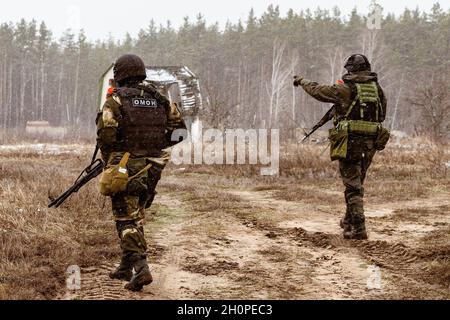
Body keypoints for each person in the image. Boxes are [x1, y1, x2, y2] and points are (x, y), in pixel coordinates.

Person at [96, 54, 186, 291]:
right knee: (136, 212)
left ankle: (141, 268)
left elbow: (106, 135)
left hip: (126, 164)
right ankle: (126, 266)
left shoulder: (115, 100)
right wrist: (156, 145)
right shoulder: (159, 99)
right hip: (154, 165)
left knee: (126, 216)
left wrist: (113, 159)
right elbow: (180, 132)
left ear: (120, 74)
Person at [294, 54, 388, 240]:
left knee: (353, 186)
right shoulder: (378, 89)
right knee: (356, 183)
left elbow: (318, 91)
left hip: (350, 142)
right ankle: (348, 222)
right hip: (371, 143)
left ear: (350, 69)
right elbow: (382, 114)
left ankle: (359, 228)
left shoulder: (346, 88)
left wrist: (302, 81)